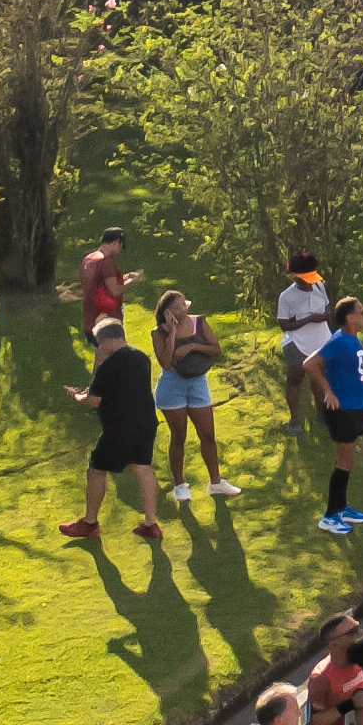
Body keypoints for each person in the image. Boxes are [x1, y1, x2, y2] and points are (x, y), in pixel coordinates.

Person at [62, 315, 166, 543]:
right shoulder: (142, 358)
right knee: (143, 468)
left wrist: (77, 395)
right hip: (146, 423)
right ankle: (150, 523)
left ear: (105, 341)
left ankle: (90, 523)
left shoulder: (108, 365)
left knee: (96, 470)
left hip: (119, 428)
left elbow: (93, 401)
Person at [150, 289, 242, 503]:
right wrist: (172, 333)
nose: (186, 308)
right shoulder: (159, 333)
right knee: (179, 437)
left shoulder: (198, 323)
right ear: (168, 311)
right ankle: (179, 485)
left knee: (208, 435)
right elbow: (165, 362)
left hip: (197, 383)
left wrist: (192, 345)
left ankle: (216, 482)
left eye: (184, 304)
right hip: (173, 386)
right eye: (181, 305)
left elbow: (216, 349)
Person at [314, 297, 363, 534]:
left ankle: (341, 507)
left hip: (355, 406)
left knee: (347, 462)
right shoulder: (339, 340)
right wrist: (328, 391)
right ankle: (330, 515)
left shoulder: (352, 339)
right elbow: (311, 364)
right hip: (343, 410)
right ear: (350, 317)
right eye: (361, 311)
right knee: (343, 463)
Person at [276, 254, 334, 430]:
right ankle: (295, 420)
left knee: (318, 378)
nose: (309, 282)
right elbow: (284, 324)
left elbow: (327, 307)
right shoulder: (287, 296)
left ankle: (321, 415)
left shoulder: (319, 286)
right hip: (298, 344)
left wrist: (324, 316)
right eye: (306, 279)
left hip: (321, 340)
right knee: (295, 380)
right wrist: (308, 319)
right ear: (296, 276)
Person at [80, 225, 136, 347]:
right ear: (116, 243)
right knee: (116, 358)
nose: (120, 250)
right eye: (120, 245)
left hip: (90, 319)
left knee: (100, 357)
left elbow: (97, 283)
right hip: (107, 320)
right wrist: (132, 280)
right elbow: (115, 290)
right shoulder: (106, 261)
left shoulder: (89, 259)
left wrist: (123, 277)